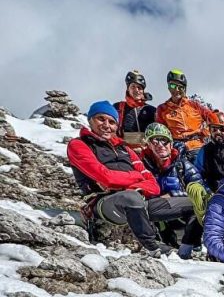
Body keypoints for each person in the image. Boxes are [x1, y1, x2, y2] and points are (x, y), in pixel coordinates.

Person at [67, 101, 173, 256]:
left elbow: (153, 185)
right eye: (100, 119)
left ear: (117, 126)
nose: (106, 125)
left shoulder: (125, 149)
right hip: (102, 202)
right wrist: (136, 177)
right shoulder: (79, 144)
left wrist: (131, 185)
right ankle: (151, 246)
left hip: (137, 199)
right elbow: (106, 178)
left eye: (112, 122)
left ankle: (190, 249)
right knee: (131, 197)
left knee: (190, 204)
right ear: (90, 120)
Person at [140, 123, 207, 259]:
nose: (161, 145)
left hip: (182, 216)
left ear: (171, 144)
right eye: (155, 140)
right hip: (157, 216)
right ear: (148, 144)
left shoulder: (183, 166)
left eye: (164, 140)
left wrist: (172, 194)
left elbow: (201, 193)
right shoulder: (141, 166)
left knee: (199, 206)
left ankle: (191, 246)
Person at [155, 70, 217, 167]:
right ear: (168, 87)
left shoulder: (194, 105)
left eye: (180, 87)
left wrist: (205, 132)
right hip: (176, 148)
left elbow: (213, 118)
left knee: (203, 173)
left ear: (184, 88)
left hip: (197, 146)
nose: (176, 90)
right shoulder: (162, 109)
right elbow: (160, 132)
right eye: (172, 86)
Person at [114, 70, 156, 147]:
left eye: (139, 88)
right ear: (128, 89)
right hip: (124, 150)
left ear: (143, 91)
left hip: (147, 151)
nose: (136, 90)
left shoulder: (151, 110)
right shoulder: (117, 107)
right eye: (133, 87)